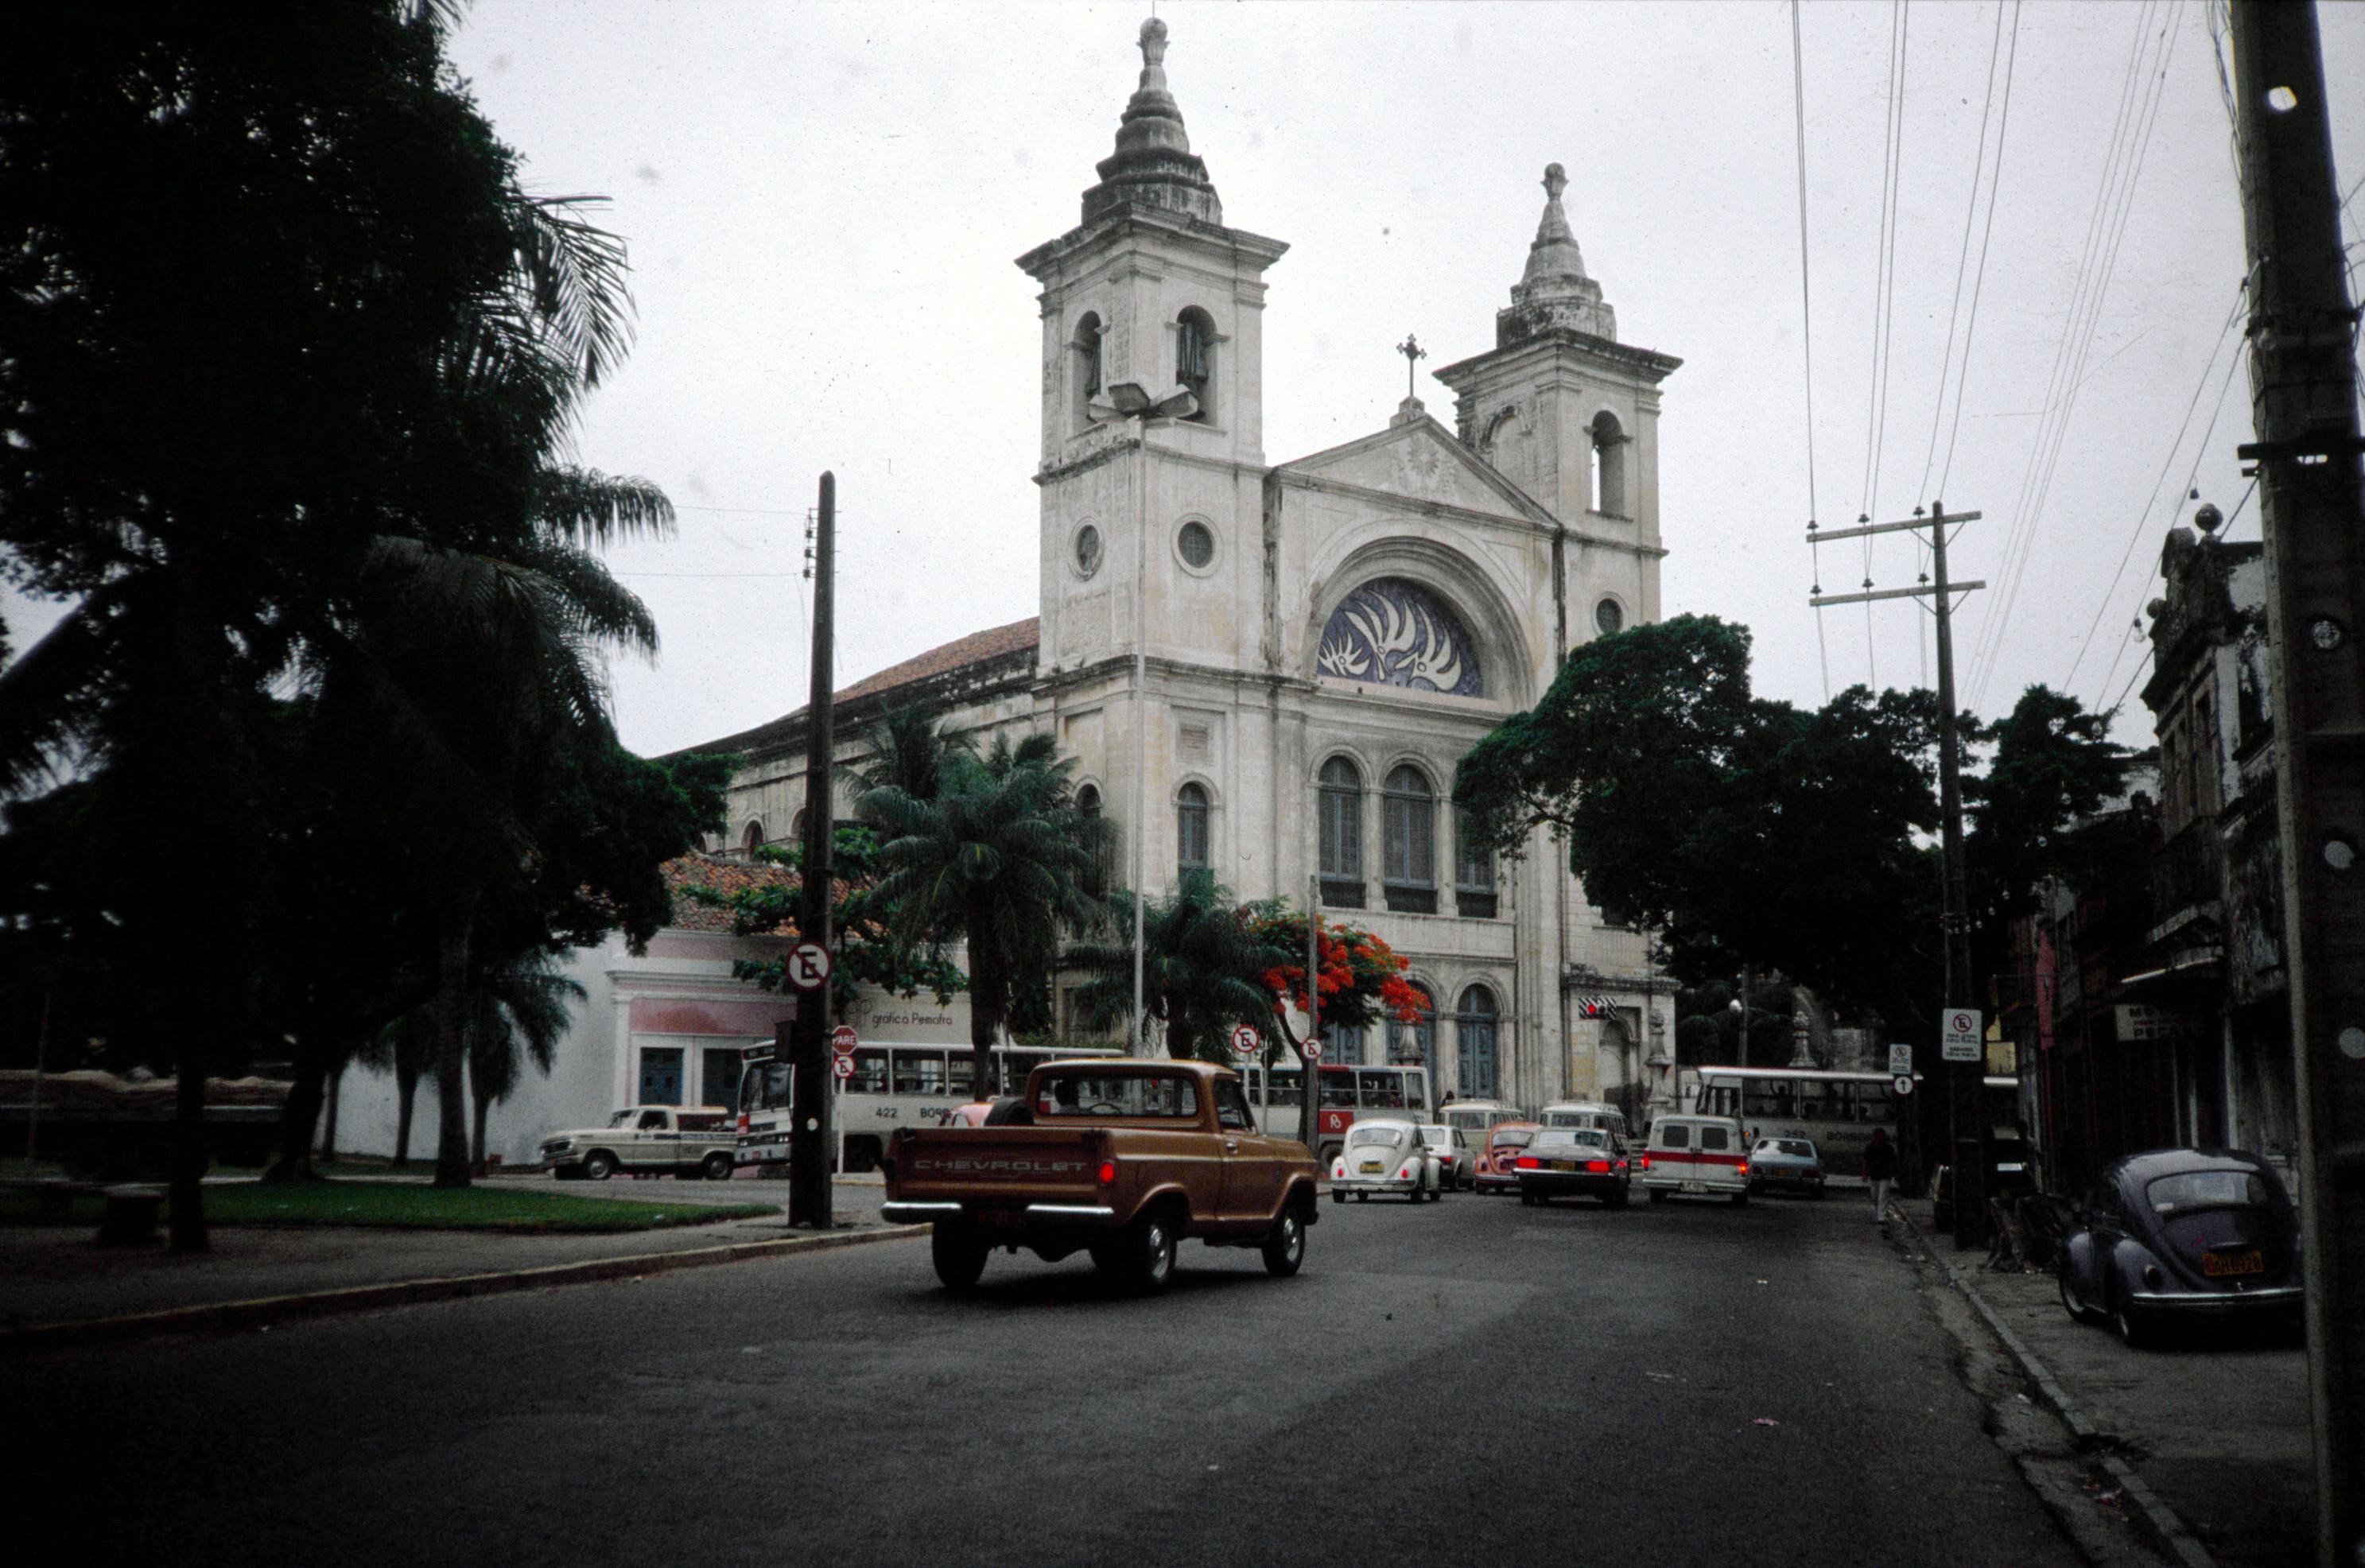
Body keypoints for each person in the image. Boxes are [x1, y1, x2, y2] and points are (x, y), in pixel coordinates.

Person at [1865, 1127, 1899, 1224]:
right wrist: (1865, 1173)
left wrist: (1895, 1174)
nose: (1879, 1138)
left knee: (1883, 1196)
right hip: (1874, 1175)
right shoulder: (1870, 1147)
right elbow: (1866, 1161)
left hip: (1885, 1175)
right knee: (1875, 1196)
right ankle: (1880, 1212)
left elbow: (1893, 1162)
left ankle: (1882, 1216)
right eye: (1877, 1136)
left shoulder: (1888, 1148)